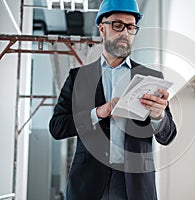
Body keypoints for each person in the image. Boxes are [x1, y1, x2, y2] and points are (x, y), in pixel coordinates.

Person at [49, 0, 177, 199]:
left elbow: (168, 136)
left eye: (131, 27)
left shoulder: (151, 78)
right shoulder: (79, 78)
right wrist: (98, 112)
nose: (125, 32)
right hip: (88, 182)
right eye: (117, 25)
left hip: (135, 184)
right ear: (102, 28)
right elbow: (57, 127)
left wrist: (158, 116)